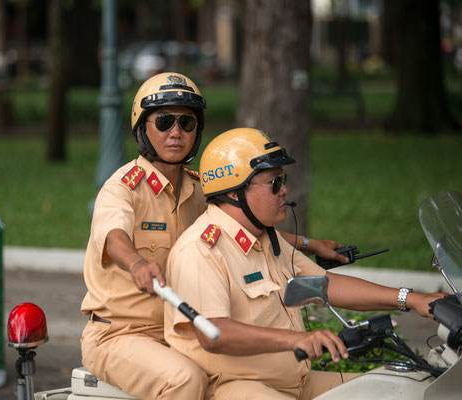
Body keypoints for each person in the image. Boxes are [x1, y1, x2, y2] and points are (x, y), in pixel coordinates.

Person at [80, 74, 348, 400]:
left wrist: (308, 243)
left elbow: (236, 230)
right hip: (122, 333)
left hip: (183, 331)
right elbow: (113, 235)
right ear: (143, 128)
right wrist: (137, 263)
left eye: (187, 123)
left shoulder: (198, 190)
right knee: (184, 380)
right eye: (164, 121)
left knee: (247, 375)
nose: (176, 132)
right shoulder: (123, 188)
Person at [163, 127, 447, 400]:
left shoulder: (263, 237)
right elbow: (213, 332)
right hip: (238, 388)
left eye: (283, 180)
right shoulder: (201, 250)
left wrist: (411, 299)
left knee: (399, 389)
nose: (285, 190)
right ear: (235, 192)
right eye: (275, 183)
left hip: (297, 383)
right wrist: (293, 340)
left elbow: (325, 285)